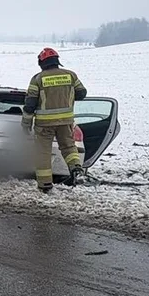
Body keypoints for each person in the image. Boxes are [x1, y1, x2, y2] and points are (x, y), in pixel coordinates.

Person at [23, 47, 88, 192]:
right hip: (66, 122)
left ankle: (45, 185)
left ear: (41, 63)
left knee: (43, 153)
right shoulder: (71, 75)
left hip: (44, 124)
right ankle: (76, 169)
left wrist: (26, 123)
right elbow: (82, 93)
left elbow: (30, 104)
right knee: (69, 147)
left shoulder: (38, 79)